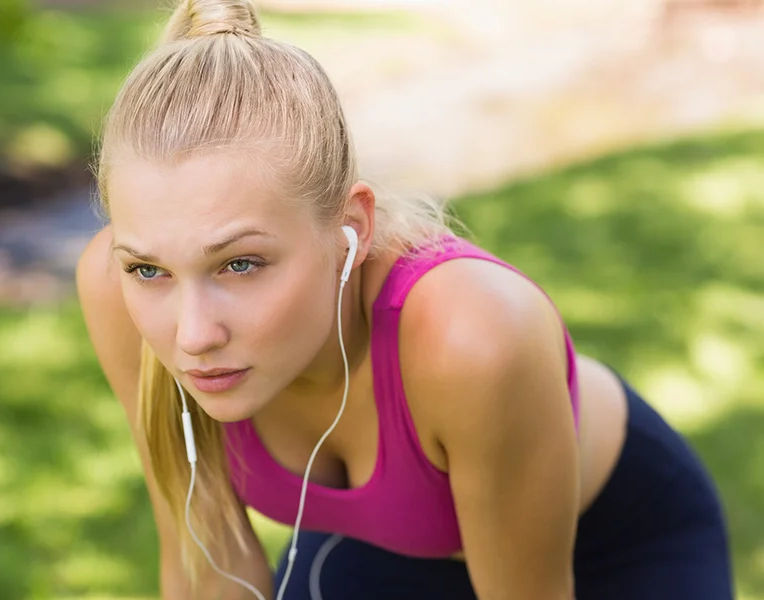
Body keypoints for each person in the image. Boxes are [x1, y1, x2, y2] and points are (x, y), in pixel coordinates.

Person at [76, 0, 735, 598]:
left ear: (350, 230)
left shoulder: (476, 337)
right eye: (151, 270)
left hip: (620, 548)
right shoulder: (115, 286)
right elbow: (205, 566)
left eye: (241, 263)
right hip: (389, 553)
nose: (193, 335)